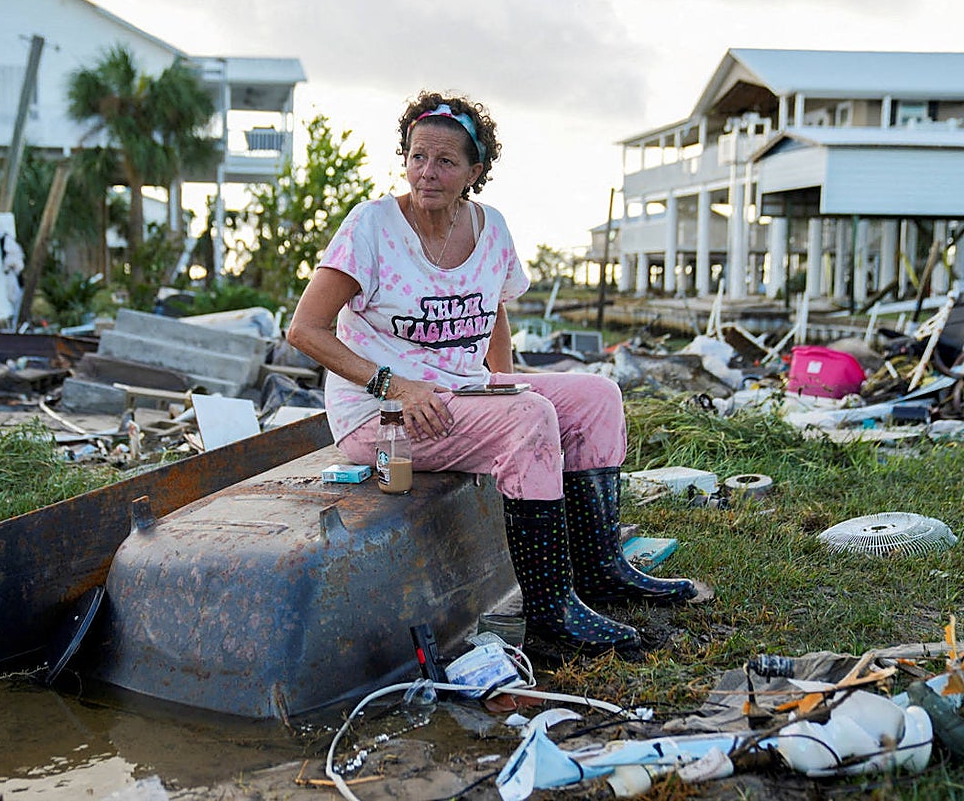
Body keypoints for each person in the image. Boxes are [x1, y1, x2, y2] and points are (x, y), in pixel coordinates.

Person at [286, 91, 697, 653]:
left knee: (598, 395)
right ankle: (551, 617)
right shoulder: (372, 227)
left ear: (474, 171)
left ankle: (599, 572)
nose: (426, 172)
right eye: (416, 156)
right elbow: (305, 330)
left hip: (464, 391)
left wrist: (505, 383)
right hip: (381, 414)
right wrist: (395, 385)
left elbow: (494, 308)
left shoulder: (490, 227)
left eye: (446, 161)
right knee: (528, 420)